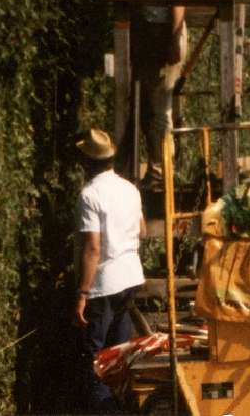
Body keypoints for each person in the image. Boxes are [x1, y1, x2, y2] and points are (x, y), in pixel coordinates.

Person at [73, 126, 145, 411]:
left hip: (104, 284)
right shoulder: (130, 189)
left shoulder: (89, 195)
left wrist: (82, 293)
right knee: (120, 356)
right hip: (131, 277)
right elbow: (140, 230)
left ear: (86, 162)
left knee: (95, 361)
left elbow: (93, 248)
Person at [128, 0, 188, 188]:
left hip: (165, 40)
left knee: (160, 108)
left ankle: (162, 174)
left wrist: (174, 40)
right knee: (150, 109)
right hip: (153, 43)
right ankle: (156, 170)